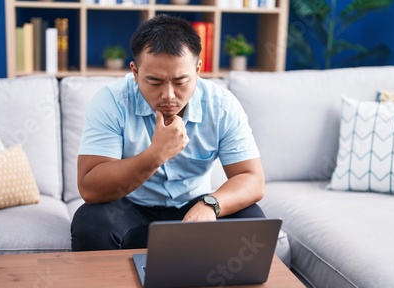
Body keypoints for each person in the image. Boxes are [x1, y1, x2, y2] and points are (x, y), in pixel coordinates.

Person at [71, 14, 266, 251]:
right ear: (135, 72)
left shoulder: (221, 105)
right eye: (154, 82)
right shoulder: (112, 101)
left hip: (195, 206)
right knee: (91, 222)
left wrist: (211, 205)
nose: (169, 96)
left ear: (197, 70)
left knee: (252, 219)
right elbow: (90, 188)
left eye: (180, 81)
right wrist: (156, 155)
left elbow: (252, 179)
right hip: (132, 209)